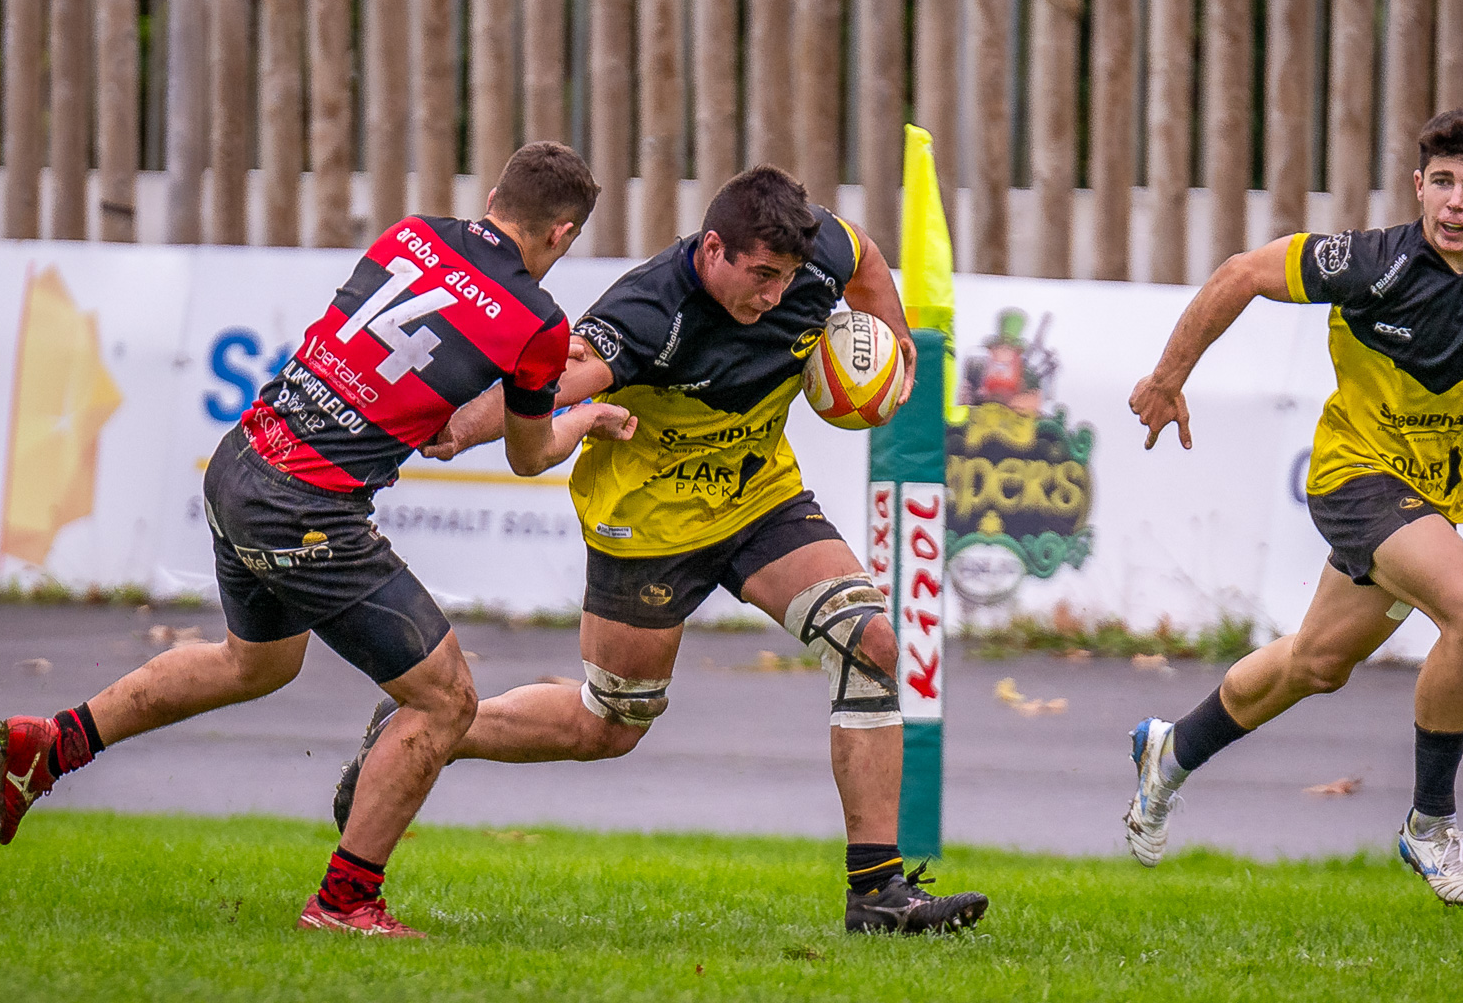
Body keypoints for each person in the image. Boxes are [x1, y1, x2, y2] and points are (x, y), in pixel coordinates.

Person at [0, 142, 635, 938]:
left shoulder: (414, 235)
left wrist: (441, 414)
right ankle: (346, 901)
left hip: (241, 461)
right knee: (447, 699)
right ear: (563, 234)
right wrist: (588, 415)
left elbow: (391, 350)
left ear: (494, 192)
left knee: (255, 662)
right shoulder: (537, 321)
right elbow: (531, 454)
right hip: (305, 508)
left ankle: (54, 745)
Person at [334, 165, 990, 934]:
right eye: (761, 278)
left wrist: (898, 338)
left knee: (872, 643)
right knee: (609, 725)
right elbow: (550, 386)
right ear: (713, 248)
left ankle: (876, 893)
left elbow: (868, 256)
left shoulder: (813, 254)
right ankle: (418, 736)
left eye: (787, 280)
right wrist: (452, 426)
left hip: (759, 497)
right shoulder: (649, 313)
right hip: (648, 526)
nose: (775, 297)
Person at [1123, 110, 1463, 905]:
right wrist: (1168, 378)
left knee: (1317, 663)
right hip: (1355, 480)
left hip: (1427, 499)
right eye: (1442, 183)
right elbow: (1238, 275)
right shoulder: (1370, 262)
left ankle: (1172, 750)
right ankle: (1430, 828)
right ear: (1418, 186)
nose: (1455, 204)